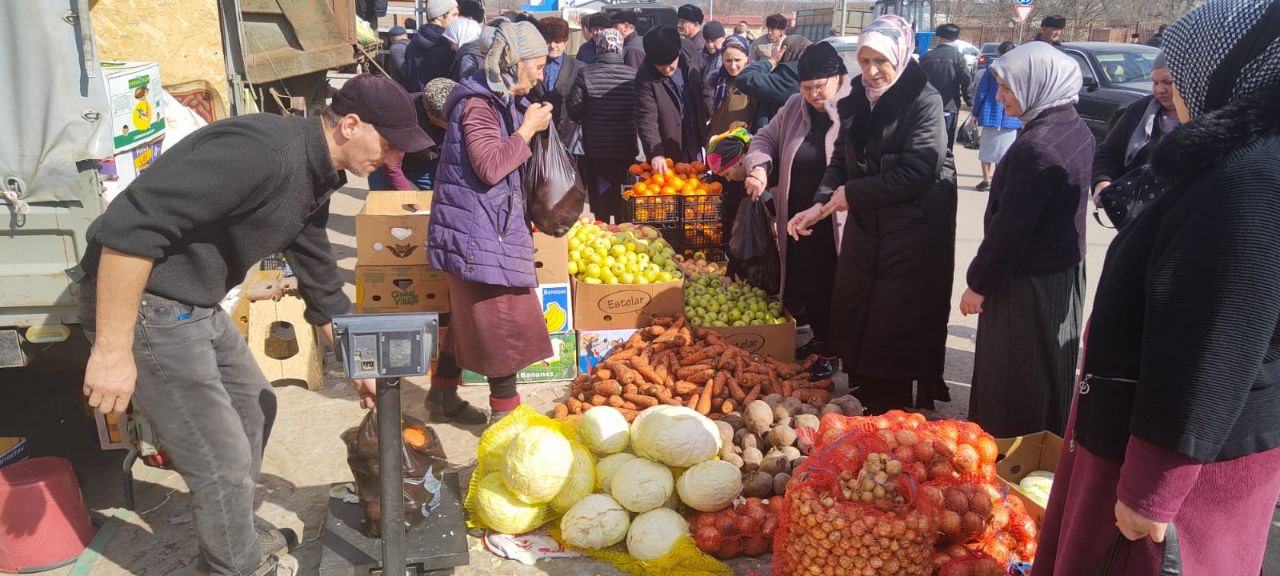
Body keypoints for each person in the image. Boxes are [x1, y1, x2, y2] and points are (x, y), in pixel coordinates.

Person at [76, 74, 427, 576]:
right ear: (351, 125)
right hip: (148, 305)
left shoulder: (317, 171)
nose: (393, 160)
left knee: (255, 407)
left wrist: (358, 365)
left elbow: (320, 279)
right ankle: (236, 566)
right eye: (389, 145)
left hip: (193, 300)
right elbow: (129, 229)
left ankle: (232, 534)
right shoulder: (264, 153)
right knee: (218, 459)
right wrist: (112, 351)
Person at [1035, 1, 1280, 574]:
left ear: (1219, 70)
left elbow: (1213, 340)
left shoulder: (1248, 178)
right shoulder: (1231, 158)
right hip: (1154, 440)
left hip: (1174, 461)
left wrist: (1153, 488)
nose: (1172, 87)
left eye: (1182, 70)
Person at [795, 15, 957, 413]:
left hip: (912, 231)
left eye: (880, 61)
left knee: (893, 320)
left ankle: (892, 410)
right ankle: (866, 395)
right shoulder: (855, 98)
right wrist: (821, 202)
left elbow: (922, 170)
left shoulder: (924, 100)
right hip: (868, 226)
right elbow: (839, 162)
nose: (872, 70)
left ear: (900, 55)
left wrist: (855, 192)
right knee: (856, 308)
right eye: (865, 61)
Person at [425, 21, 555, 425]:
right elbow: (489, 165)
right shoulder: (478, 105)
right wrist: (527, 130)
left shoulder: (500, 100)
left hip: (483, 226)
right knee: (503, 322)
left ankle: (443, 399)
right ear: (512, 62)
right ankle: (505, 418)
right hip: (477, 234)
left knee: (471, 318)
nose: (540, 73)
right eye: (536, 64)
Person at [960, 42, 1093, 437]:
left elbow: (1010, 231)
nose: (999, 98)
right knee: (1051, 367)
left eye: (1007, 88)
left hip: (1027, 281)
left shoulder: (1037, 149)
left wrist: (978, 285)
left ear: (1038, 84)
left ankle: (1009, 459)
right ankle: (1046, 448)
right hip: (1062, 270)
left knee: (1016, 375)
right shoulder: (1073, 125)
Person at [742, 42, 849, 374]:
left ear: (840, 78)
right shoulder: (793, 107)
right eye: (807, 87)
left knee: (833, 281)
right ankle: (822, 338)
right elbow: (763, 139)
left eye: (821, 86)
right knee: (807, 278)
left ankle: (833, 350)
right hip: (796, 215)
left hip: (836, 217)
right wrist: (758, 167)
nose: (815, 94)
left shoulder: (855, 108)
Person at [566, 29, 638, 224]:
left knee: (599, 192)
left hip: (595, 147)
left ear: (599, 48)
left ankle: (603, 226)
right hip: (625, 145)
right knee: (623, 190)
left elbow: (574, 108)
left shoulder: (586, 73)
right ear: (620, 49)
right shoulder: (633, 75)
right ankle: (623, 228)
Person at [1090, 51, 1178, 206]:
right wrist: (1102, 182)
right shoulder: (1138, 110)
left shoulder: (1204, 115)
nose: (1160, 90)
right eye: (1155, 83)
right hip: (1136, 213)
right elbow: (1108, 153)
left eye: (1167, 82)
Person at [635, 26, 709, 170]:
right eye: (661, 66)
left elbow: (704, 82)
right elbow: (646, 117)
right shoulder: (644, 77)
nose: (668, 69)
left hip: (694, 133)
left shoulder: (689, 50)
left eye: (671, 64)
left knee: (698, 180)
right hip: (668, 140)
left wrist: (708, 110)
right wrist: (655, 152)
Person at [706, 35, 756, 240]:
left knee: (736, 207)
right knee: (723, 208)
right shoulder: (719, 82)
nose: (733, 65)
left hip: (739, 158)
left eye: (737, 60)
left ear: (747, 58)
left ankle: (736, 251)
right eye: (728, 60)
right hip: (720, 156)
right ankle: (725, 248)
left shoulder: (753, 83)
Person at [369, 77, 455, 191]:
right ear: (431, 116)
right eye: (450, 119)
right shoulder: (401, 116)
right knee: (391, 205)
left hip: (427, 165)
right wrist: (408, 195)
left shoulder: (463, 109)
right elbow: (391, 164)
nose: (457, 120)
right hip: (385, 164)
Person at [969, 41, 1020, 191]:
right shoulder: (1019, 72)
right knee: (1005, 153)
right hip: (1011, 116)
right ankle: (999, 181)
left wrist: (975, 113)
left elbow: (981, 92)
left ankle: (986, 180)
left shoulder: (992, 69)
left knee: (986, 149)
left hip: (990, 113)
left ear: (999, 53)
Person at [737, 35, 811, 130]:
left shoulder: (789, 77)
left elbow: (744, 78)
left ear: (785, 51)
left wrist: (772, 60)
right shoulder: (810, 75)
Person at [919, 23, 973, 150]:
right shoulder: (958, 58)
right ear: (955, 38)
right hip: (950, 106)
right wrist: (970, 101)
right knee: (947, 144)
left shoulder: (926, 57)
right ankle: (944, 166)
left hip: (928, 107)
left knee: (927, 140)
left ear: (940, 37)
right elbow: (966, 80)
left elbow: (918, 82)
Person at [401, 0, 460, 92]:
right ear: (440, 16)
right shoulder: (448, 45)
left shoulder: (413, 42)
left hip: (414, 101)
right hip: (440, 103)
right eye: (454, 15)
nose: (458, 19)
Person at [535, 16, 583, 127]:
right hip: (536, 129)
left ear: (565, 42)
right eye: (548, 40)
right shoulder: (531, 66)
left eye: (557, 41)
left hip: (566, 131)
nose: (552, 45)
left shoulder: (579, 68)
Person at [677, 4, 706, 76]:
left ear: (695, 24)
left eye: (683, 22)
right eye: (679, 21)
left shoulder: (701, 45)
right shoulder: (689, 42)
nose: (678, 25)